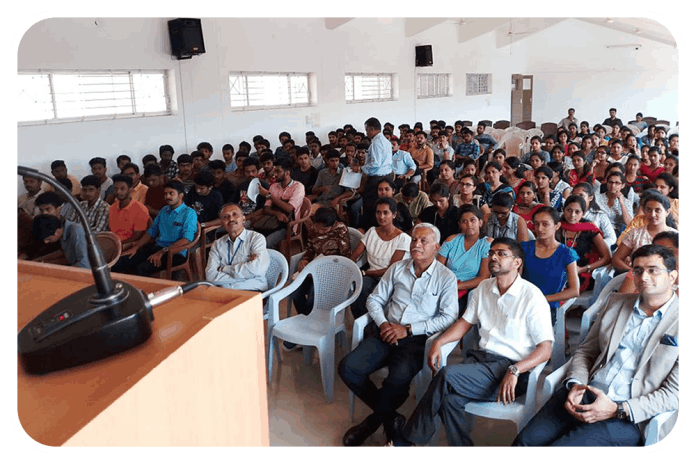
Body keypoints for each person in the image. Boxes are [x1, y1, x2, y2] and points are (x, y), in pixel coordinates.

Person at [391, 237, 554, 447]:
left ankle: (406, 441)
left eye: (502, 254)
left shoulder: (532, 296)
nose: (494, 257)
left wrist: (515, 370)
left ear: (517, 262)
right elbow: (465, 323)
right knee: (450, 401)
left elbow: (545, 350)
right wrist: (439, 342)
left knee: (446, 374)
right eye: (492, 253)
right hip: (480, 363)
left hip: (509, 370)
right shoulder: (484, 288)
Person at [513, 244, 678, 446]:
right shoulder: (616, 303)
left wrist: (619, 408)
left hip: (625, 414)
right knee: (524, 442)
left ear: (672, 277)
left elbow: (674, 394)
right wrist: (575, 383)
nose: (643, 277)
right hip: (585, 391)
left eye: (653, 270)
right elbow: (586, 351)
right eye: (638, 270)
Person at [338, 223, 458, 446]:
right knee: (348, 367)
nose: (416, 245)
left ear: (436, 247)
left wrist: (410, 329)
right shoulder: (397, 268)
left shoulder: (446, 277)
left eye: (424, 241)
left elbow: (449, 317)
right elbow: (374, 299)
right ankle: (392, 418)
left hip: (416, 339)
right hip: (387, 330)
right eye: (414, 240)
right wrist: (383, 323)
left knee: (397, 380)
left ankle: (372, 422)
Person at [111, 180, 197, 277]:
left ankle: (142, 291)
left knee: (140, 269)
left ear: (181, 195)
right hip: (157, 248)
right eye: (165, 194)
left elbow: (186, 239)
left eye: (171, 193)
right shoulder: (164, 210)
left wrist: (163, 251)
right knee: (121, 262)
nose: (167, 196)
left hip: (175, 253)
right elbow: (151, 232)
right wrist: (136, 247)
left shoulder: (189, 213)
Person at [349, 197, 412, 320]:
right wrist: (351, 269)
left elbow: (391, 270)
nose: (381, 216)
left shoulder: (403, 238)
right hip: (371, 276)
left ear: (394, 215)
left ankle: (373, 323)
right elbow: (354, 256)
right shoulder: (371, 231)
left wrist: (365, 272)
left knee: (366, 287)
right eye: (378, 212)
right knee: (359, 287)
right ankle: (363, 323)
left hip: (391, 280)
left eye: (385, 213)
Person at [521, 206, 580, 326]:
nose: (540, 228)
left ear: (557, 226)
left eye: (545, 224)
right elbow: (516, 279)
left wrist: (543, 299)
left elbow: (574, 291)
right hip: (522, 303)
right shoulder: (525, 248)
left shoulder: (566, 253)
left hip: (546, 307)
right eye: (536, 224)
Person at [288, 207, 352, 318]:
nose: (319, 231)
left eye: (324, 230)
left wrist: (327, 265)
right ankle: (305, 319)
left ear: (333, 225)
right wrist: (305, 260)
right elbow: (310, 249)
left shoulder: (341, 229)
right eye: (318, 227)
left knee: (314, 295)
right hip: (315, 265)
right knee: (295, 291)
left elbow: (345, 256)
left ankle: (310, 320)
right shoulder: (314, 229)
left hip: (333, 269)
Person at [437, 204, 492, 315]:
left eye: (472, 220)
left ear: (480, 223)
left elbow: (483, 277)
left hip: (469, 289)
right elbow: (437, 268)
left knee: (451, 313)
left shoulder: (486, 244)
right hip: (446, 285)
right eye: (464, 221)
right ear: (459, 224)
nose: (469, 224)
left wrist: (457, 287)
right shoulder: (452, 240)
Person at [204, 203, 270, 292]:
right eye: (226, 217)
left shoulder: (256, 238)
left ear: (243, 218)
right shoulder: (217, 244)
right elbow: (210, 276)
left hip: (252, 290)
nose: (231, 219)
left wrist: (224, 269)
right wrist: (246, 274)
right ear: (222, 223)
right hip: (226, 292)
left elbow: (257, 269)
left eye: (235, 214)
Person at [611, 190, 678, 274]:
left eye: (657, 210)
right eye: (649, 210)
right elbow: (616, 259)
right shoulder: (635, 234)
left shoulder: (676, 236)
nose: (652, 214)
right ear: (644, 211)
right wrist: (634, 273)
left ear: (667, 212)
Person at [558, 196, 611, 293]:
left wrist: (583, 269)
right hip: (557, 270)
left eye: (577, 212)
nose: (572, 215)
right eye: (569, 210)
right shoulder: (557, 227)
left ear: (583, 213)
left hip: (581, 273)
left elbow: (606, 258)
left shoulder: (590, 229)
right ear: (563, 210)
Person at [250, 158, 305, 249]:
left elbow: (289, 208)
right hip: (270, 222)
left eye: (278, 171)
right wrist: (277, 213)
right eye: (274, 171)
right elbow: (267, 208)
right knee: (251, 240)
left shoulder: (298, 187)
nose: (275, 175)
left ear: (287, 172)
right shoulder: (274, 186)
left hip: (288, 225)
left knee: (265, 244)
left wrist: (268, 195)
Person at [108, 173, 151, 247]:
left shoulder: (140, 209)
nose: (118, 192)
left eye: (122, 189)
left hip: (129, 245)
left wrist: (117, 244)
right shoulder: (112, 207)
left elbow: (137, 236)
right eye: (116, 188)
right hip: (113, 243)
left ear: (130, 189)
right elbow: (112, 231)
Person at [595, 171, 633, 238]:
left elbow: (629, 223)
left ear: (623, 185)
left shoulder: (626, 202)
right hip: (598, 230)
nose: (613, 186)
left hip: (616, 233)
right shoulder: (597, 198)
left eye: (617, 183)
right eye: (610, 182)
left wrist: (622, 203)